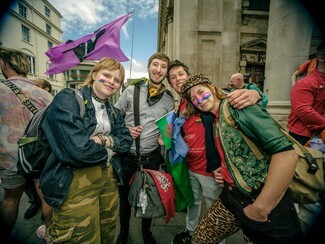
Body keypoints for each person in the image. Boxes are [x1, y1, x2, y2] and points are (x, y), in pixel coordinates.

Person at [181, 73, 303, 244]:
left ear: (212, 88)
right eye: (194, 98)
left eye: (201, 92)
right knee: (200, 239)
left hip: (263, 202)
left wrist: (260, 207)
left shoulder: (238, 106)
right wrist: (224, 170)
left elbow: (287, 154)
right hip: (231, 196)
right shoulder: (213, 118)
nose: (199, 100)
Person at [166, 60, 268, 244]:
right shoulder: (180, 105)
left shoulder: (206, 96)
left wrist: (255, 93)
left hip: (211, 171)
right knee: (192, 202)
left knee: (216, 211)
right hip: (189, 167)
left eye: (180, 74)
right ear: (171, 84)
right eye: (173, 77)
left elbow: (233, 99)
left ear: (188, 76)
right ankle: (190, 230)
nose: (177, 79)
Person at [39, 57, 133, 243]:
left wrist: (103, 140)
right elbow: (77, 150)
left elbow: (126, 141)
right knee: (81, 236)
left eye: (117, 80)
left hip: (109, 178)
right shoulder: (68, 98)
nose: (111, 82)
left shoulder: (113, 111)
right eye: (106, 75)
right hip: (75, 180)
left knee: (107, 229)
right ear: (94, 74)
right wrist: (111, 149)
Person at [115, 52, 174, 244]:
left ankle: (146, 233)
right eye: (155, 65)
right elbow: (114, 117)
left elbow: (168, 127)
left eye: (163, 67)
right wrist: (126, 130)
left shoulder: (169, 100)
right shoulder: (131, 91)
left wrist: (165, 136)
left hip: (151, 158)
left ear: (166, 72)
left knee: (149, 196)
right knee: (123, 200)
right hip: (127, 157)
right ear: (148, 68)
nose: (158, 70)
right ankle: (123, 232)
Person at [0, 48, 53, 241]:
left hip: (9, 157)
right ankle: (50, 233)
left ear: (4, 64)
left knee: (10, 199)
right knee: (46, 197)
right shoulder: (45, 95)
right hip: (38, 156)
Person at [287, 43, 325, 237]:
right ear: (322, 58)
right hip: (304, 138)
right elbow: (303, 110)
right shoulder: (306, 84)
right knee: (301, 181)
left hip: (316, 137)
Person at [24, 78, 53, 221]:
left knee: (41, 184)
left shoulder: (51, 102)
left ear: (46, 89)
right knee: (29, 183)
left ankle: (46, 213)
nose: (30, 87)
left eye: (35, 85)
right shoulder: (26, 97)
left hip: (41, 150)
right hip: (26, 148)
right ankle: (35, 203)